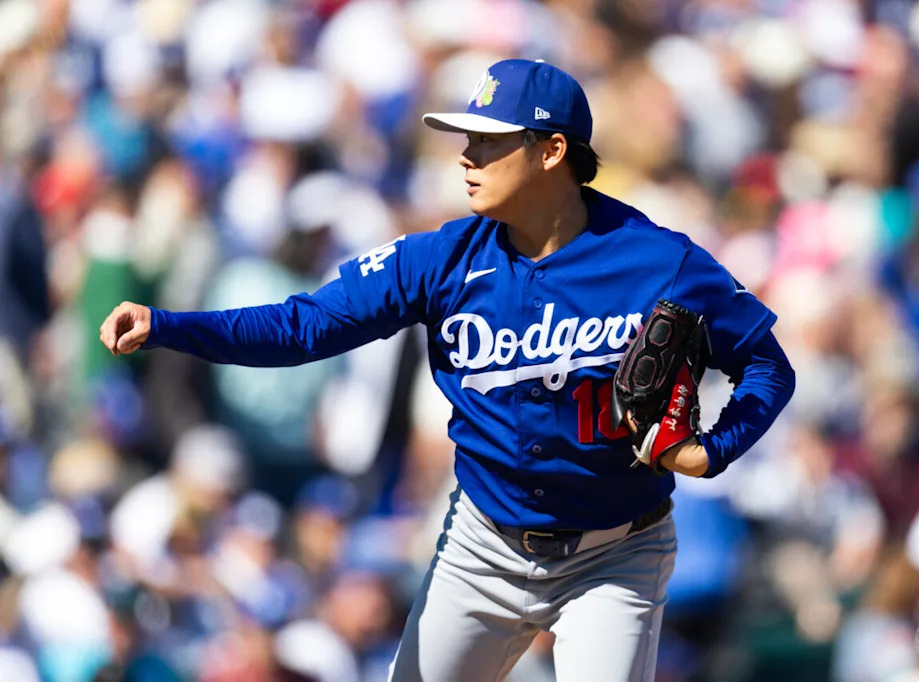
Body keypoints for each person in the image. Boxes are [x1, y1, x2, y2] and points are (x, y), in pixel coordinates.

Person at [99, 59, 795, 682]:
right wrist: (169, 326)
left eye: (489, 140)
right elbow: (301, 326)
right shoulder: (441, 259)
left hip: (614, 556)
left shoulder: (658, 263)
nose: (466, 156)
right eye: (467, 138)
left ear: (552, 151)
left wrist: (714, 449)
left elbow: (766, 365)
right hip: (483, 545)